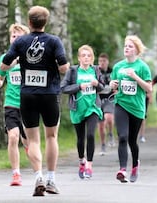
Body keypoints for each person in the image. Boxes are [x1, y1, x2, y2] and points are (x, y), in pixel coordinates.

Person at [1, 6, 70, 196]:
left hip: (28, 95)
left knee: (32, 140)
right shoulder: (54, 41)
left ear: (29, 22)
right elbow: (64, 68)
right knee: (51, 137)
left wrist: (18, 61)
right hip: (49, 94)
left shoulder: (21, 41)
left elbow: (4, 65)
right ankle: (51, 179)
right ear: (45, 22)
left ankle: (38, 176)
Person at [109, 35, 152, 183]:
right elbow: (113, 86)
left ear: (137, 50)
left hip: (137, 108)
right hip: (121, 104)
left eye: (130, 46)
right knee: (122, 137)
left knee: (132, 141)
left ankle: (135, 165)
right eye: (125, 46)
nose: (126, 48)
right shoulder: (118, 66)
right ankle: (122, 170)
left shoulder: (142, 67)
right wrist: (112, 85)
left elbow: (149, 88)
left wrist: (135, 77)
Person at [0, 23, 30, 186]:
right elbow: (0, 78)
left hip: (29, 104)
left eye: (19, 36)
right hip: (11, 104)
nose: (15, 39)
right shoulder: (4, 58)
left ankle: (38, 170)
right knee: (13, 137)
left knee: (28, 141)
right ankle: (16, 174)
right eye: (13, 36)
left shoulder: (32, 58)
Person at [60, 45, 104, 179]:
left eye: (89, 55)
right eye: (83, 55)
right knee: (80, 138)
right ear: (79, 58)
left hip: (93, 107)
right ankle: (81, 161)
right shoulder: (73, 71)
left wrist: (97, 84)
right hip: (78, 108)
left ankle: (89, 165)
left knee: (90, 135)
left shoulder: (96, 70)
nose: (86, 58)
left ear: (92, 58)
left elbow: (103, 87)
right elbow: (63, 88)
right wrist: (79, 86)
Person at [97, 53, 116, 154]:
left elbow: (117, 83)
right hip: (98, 100)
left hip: (110, 98)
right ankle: (103, 145)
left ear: (107, 62)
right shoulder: (96, 72)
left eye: (104, 61)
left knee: (109, 117)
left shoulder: (112, 71)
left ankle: (111, 133)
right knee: (101, 125)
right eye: (100, 61)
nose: (102, 63)